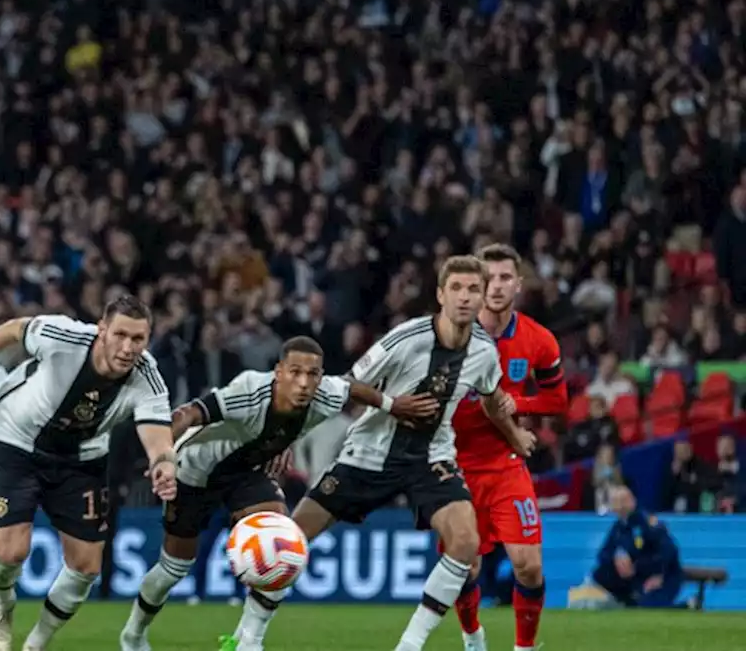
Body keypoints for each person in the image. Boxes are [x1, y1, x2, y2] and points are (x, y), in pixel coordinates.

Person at [221, 255, 530, 651]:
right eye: (456, 288)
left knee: (466, 541)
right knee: (291, 540)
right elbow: (345, 385)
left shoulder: (485, 352)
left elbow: (490, 397)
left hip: (430, 459)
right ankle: (248, 639)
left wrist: (514, 434)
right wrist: (385, 406)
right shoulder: (406, 340)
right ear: (440, 294)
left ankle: (410, 645)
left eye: (474, 289)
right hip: (367, 455)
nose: (465, 297)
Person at [119, 336, 440, 651]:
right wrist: (162, 454)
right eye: (295, 372)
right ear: (278, 372)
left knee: (283, 543)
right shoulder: (249, 390)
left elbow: (351, 386)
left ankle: (250, 642)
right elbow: (188, 413)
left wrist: (391, 405)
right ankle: (133, 634)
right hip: (194, 473)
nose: (303, 382)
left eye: (312, 374)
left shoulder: (326, 393)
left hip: (245, 473)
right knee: (173, 569)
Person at [0, 296, 178, 651]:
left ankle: (35, 644)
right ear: (102, 330)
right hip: (19, 441)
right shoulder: (64, 336)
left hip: (81, 460)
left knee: (86, 567)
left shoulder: (148, 376)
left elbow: (158, 435)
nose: (128, 347)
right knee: (10, 554)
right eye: (120, 335)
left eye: (138, 339)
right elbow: (13, 329)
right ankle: (2, 602)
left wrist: (163, 462)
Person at [448, 244, 568, 651]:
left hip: (505, 464)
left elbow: (558, 401)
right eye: (489, 279)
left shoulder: (538, 340)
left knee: (528, 566)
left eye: (504, 278)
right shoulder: (452, 333)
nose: (496, 287)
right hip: (453, 466)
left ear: (518, 285)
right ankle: (472, 636)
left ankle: (523, 648)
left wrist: (521, 403)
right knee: (465, 568)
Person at [591, 485, 684, 607]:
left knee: (648, 606)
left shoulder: (646, 522)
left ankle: (685, 607)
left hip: (661, 575)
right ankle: (625, 600)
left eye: (623, 500)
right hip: (636, 577)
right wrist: (617, 559)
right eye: (616, 501)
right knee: (602, 573)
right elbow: (603, 554)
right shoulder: (619, 527)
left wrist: (658, 574)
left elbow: (669, 550)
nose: (620, 505)